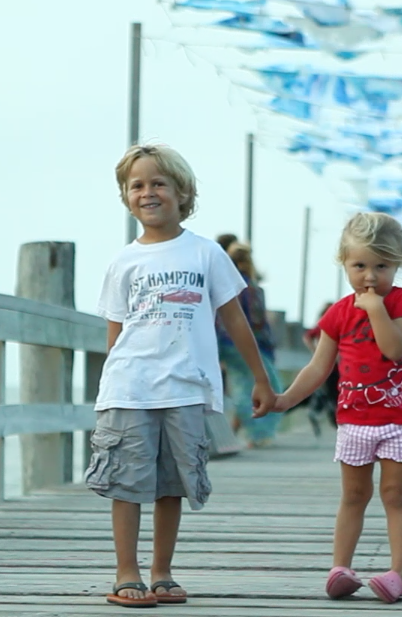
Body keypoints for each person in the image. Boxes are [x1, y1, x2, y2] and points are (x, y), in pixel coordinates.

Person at [85, 143, 276, 608]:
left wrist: (260, 379)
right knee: (128, 481)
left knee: (172, 482)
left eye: (158, 183)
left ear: (181, 192)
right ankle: (125, 571)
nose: (147, 192)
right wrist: (109, 388)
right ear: (126, 197)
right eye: (137, 185)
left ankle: (162, 571)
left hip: (186, 387)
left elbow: (235, 320)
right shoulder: (122, 261)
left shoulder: (206, 253)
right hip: (130, 386)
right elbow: (115, 335)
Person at [257, 212, 402, 604]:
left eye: (381, 266)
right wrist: (284, 399)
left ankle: (398, 573)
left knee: (396, 495)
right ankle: (340, 568)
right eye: (360, 265)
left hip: (399, 420)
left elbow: (395, 349)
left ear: (397, 264)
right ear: (344, 263)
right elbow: (319, 366)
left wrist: (375, 309)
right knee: (353, 495)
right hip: (354, 421)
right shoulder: (338, 312)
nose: (370, 276)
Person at [217, 243, 285, 448]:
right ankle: (258, 434)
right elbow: (256, 322)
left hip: (227, 343)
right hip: (249, 344)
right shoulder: (249, 287)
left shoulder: (226, 284)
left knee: (241, 387)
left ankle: (241, 433)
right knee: (260, 387)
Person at [302, 302, 339, 436]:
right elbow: (307, 337)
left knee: (333, 394)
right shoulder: (325, 325)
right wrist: (316, 351)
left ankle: (320, 411)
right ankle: (324, 413)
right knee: (333, 394)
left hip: (336, 366)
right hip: (331, 366)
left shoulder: (331, 325)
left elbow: (307, 337)